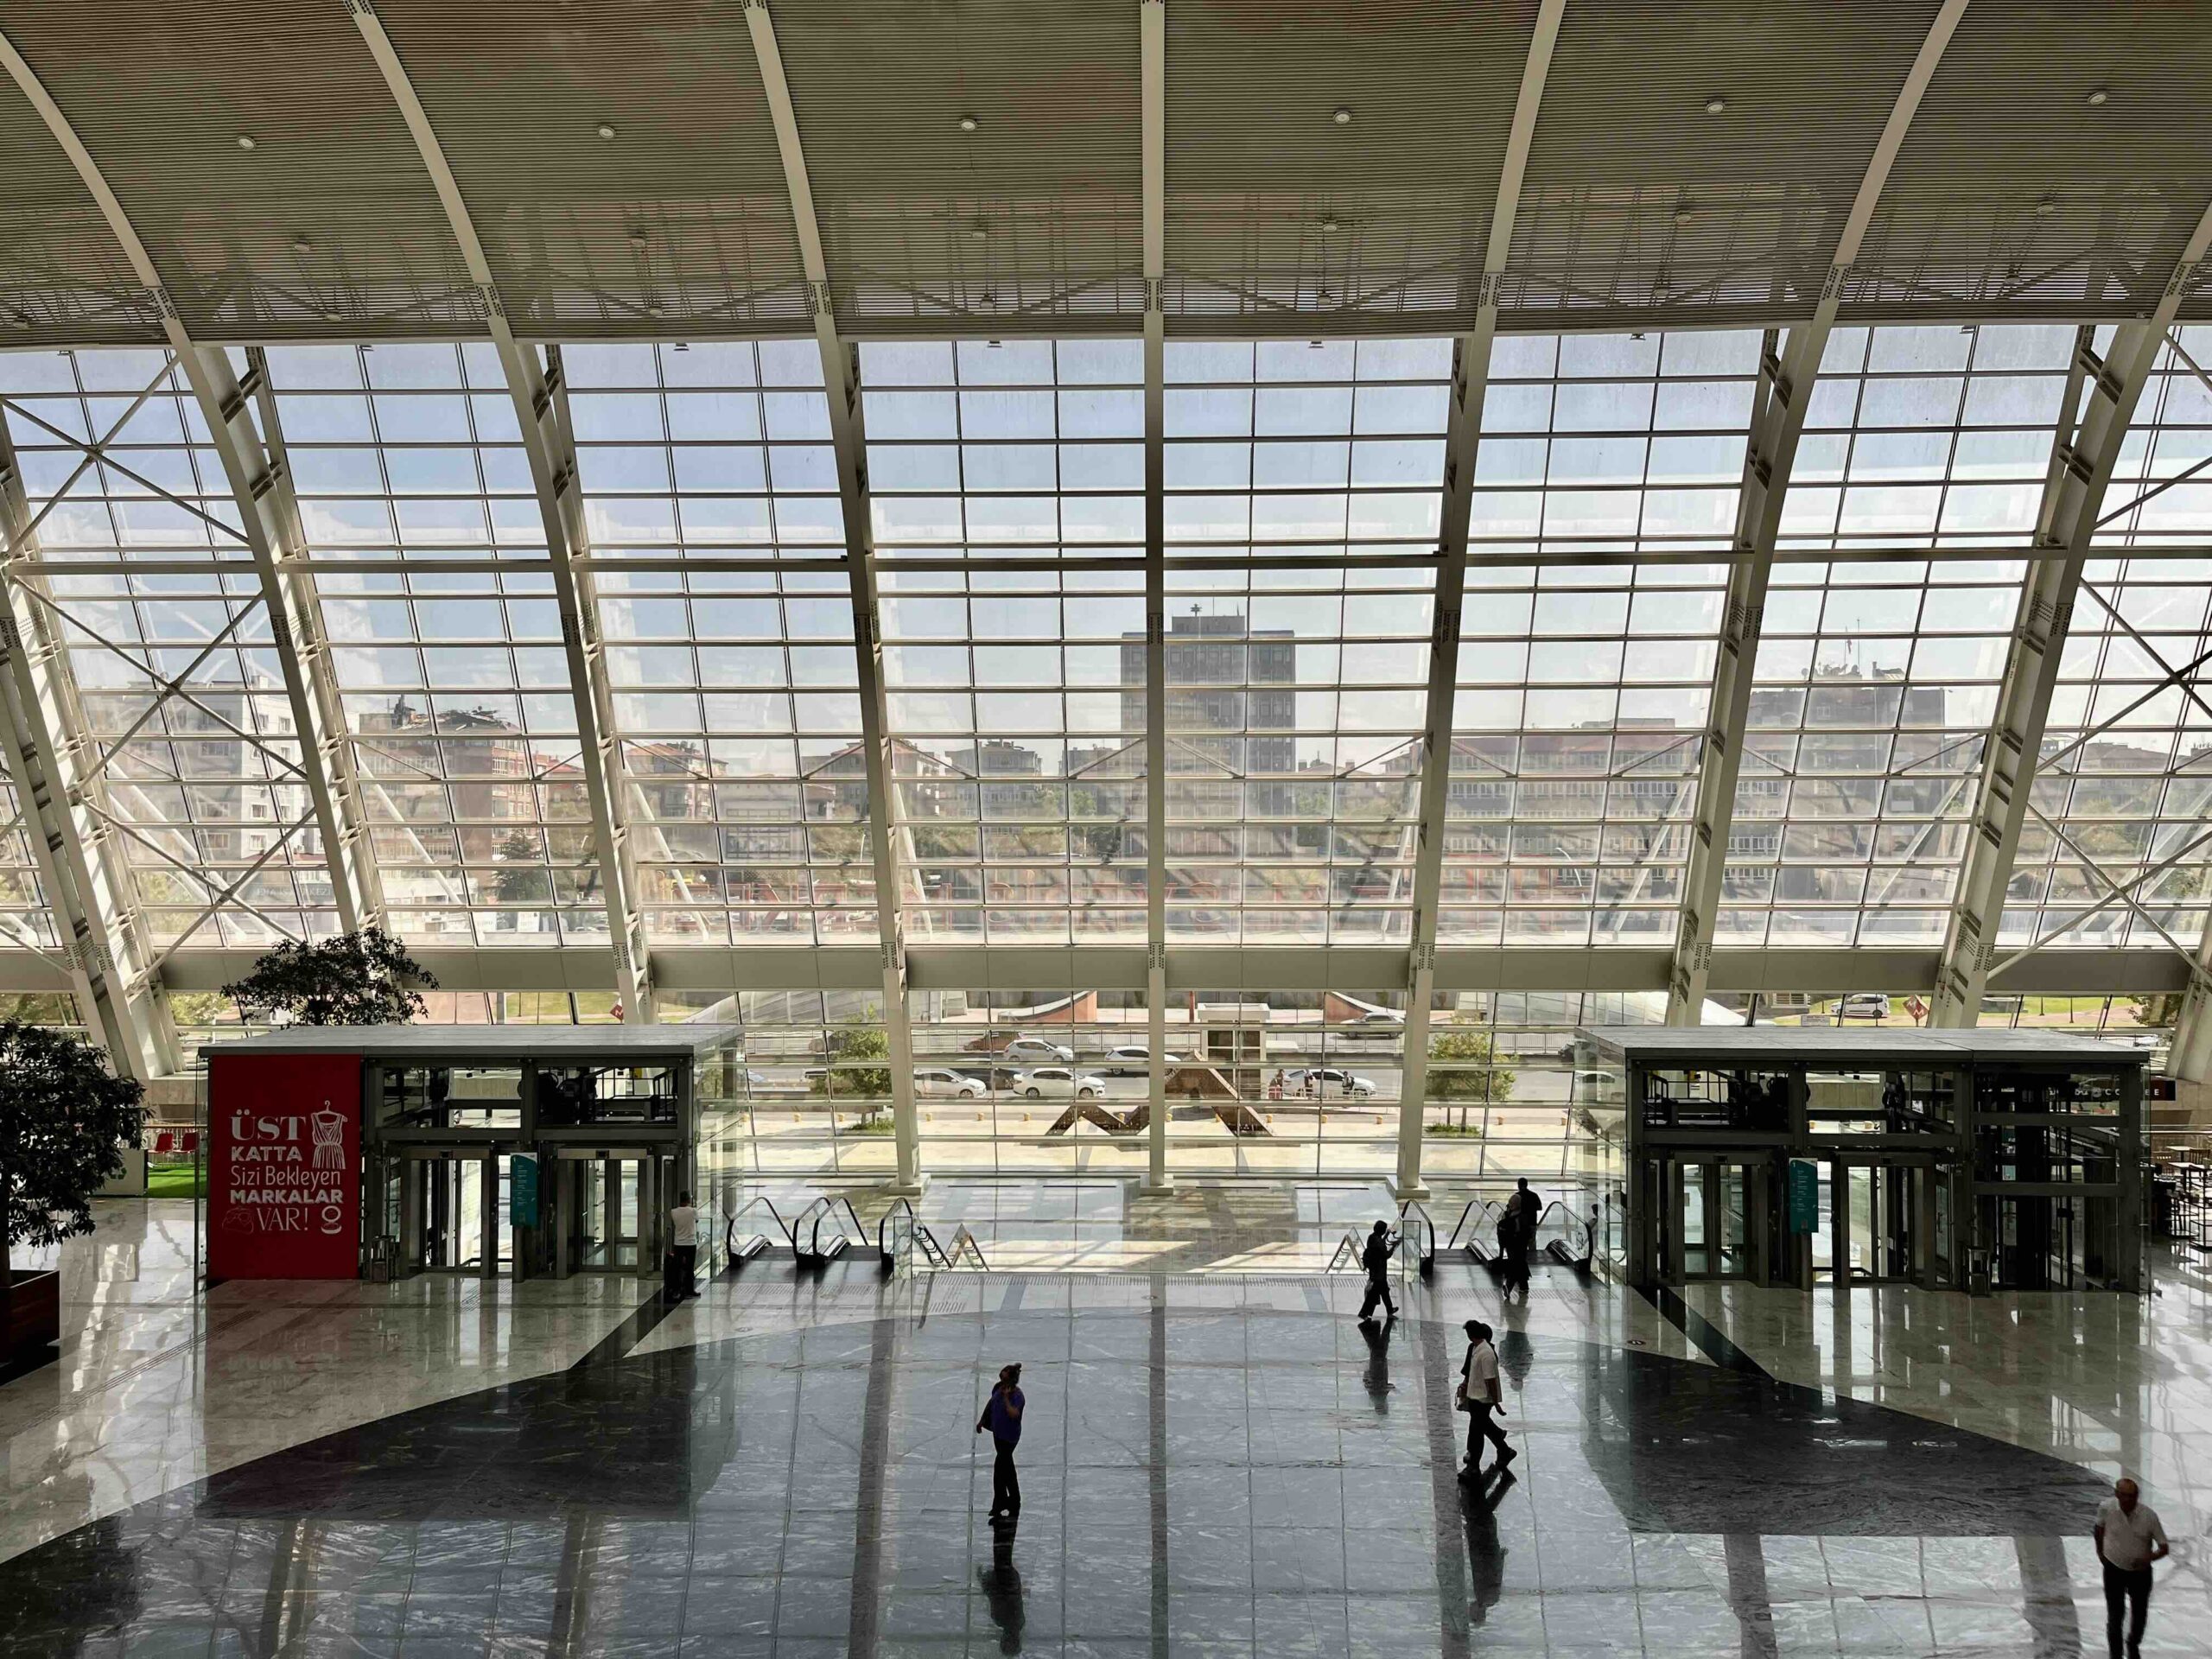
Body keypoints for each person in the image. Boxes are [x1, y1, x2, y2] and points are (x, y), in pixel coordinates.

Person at [2094, 1477, 2168, 1658]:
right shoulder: (2106, 1508)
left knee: (2139, 1614)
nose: (2128, 1500)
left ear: (2137, 1496)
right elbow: (2098, 1529)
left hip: (2140, 1573)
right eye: (2124, 1496)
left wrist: (2147, 1559)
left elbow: (2164, 1547)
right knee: (2115, 1614)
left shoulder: (2149, 1516)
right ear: (2117, 1495)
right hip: (2113, 1568)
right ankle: (2116, 1653)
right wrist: (2101, 1553)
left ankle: (2133, 1641)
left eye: (2132, 1496)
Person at [1457, 1319, 1513, 1479]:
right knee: (1481, 1427)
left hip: (1482, 1400)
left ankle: (1473, 1467)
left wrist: (1496, 1404)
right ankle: (1504, 1450)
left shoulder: (1486, 1354)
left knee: (1476, 1431)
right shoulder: (1476, 1349)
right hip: (1476, 1397)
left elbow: (1491, 1381)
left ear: (1470, 1335)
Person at [976, 1362, 1025, 1522]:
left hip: (1009, 1437)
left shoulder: (1017, 1396)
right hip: (998, 1435)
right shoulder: (998, 1387)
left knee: (1000, 1469)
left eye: (1005, 1372)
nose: (1001, 1373)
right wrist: (983, 1420)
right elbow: (991, 1403)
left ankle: (1000, 1502)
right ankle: (1014, 1498)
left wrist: (1006, 1398)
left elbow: (1014, 1414)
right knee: (1007, 1468)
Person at [1357, 1218, 1397, 1323]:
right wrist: (1394, 1247)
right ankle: (1364, 1313)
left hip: (1375, 1271)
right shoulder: (1379, 1242)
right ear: (1382, 1230)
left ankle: (1389, 1310)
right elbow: (1386, 1255)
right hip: (1379, 1272)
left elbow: (1380, 1243)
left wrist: (1388, 1234)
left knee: (1384, 1292)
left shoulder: (1372, 1237)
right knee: (1373, 1295)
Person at [666, 1189, 700, 1300]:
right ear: (689, 1200)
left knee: (677, 1267)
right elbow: (696, 1221)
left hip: (678, 1243)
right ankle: (690, 1290)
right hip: (691, 1243)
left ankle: (677, 1290)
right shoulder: (693, 1211)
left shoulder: (673, 1211)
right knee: (690, 1268)